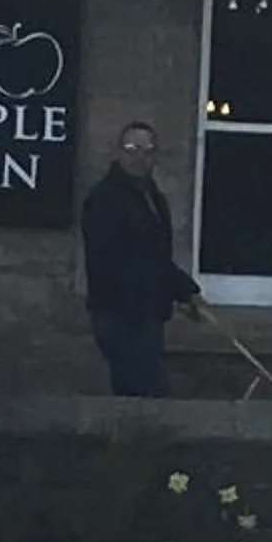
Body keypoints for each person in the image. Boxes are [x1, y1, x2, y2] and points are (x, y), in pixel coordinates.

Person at [81, 121, 205, 396]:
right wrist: (160, 294)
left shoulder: (153, 198)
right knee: (144, 397)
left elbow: (155, 256)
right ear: (118, 152)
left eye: (148, 151)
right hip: (120, 316)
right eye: (132, 149)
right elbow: (110, 264)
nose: (140, 158)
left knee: (142, 398)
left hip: (147, 316)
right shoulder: (104, 200)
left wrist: (186, 292)